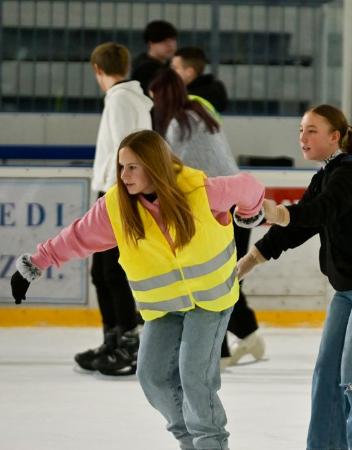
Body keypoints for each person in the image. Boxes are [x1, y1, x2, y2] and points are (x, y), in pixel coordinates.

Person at [10, 129, 266, 449]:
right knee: (152, 376)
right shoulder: (116, 207)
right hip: (164, 305)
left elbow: (250, 187)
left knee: (194, 377)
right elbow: (76, 237)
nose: (124, 175)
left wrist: (248, 213)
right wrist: (36, 264)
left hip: (212, 300)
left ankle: (211, 443)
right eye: (121, 167)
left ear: (154, 165)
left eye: (133, 167)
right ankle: (190, 441)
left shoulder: (199, 190)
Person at [235, 104, 352, 450]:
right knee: (328, 377)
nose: (303, 137)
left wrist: (280, 212)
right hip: (346, 291)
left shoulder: (351, 175)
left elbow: (320, 211)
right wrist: (246, 263)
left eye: (312, 130)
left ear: (335, 137)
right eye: (301, 130)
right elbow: (297, 229)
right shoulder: (325, 176)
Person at [149, 68, 265, 369]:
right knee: (222, 276)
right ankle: (237, 340)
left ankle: (232, 342)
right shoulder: (201, 112)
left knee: (213, 278)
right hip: (236, 203)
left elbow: (171, 170)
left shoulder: (178, 123)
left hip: (216, 207)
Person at [78, 42, 153, 376]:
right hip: (115, 192)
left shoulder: (122, 100)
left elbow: (127, 149)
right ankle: (114, 338)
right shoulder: (127, 98)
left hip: (118, 194)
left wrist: (118, 192)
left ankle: (127, 341)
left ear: (98, 70)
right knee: (102, 271)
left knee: (112, 271)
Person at [171, 46, 229, 113]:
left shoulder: (190, 99)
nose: (170, 72)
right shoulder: (212, 92)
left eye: (174, 68)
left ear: (189, 72)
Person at [131, 20, 178, 94]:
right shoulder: (143, 68)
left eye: (173, 40)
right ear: (151, 43)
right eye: (164, 41)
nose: (170, 45)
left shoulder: (171, 64)